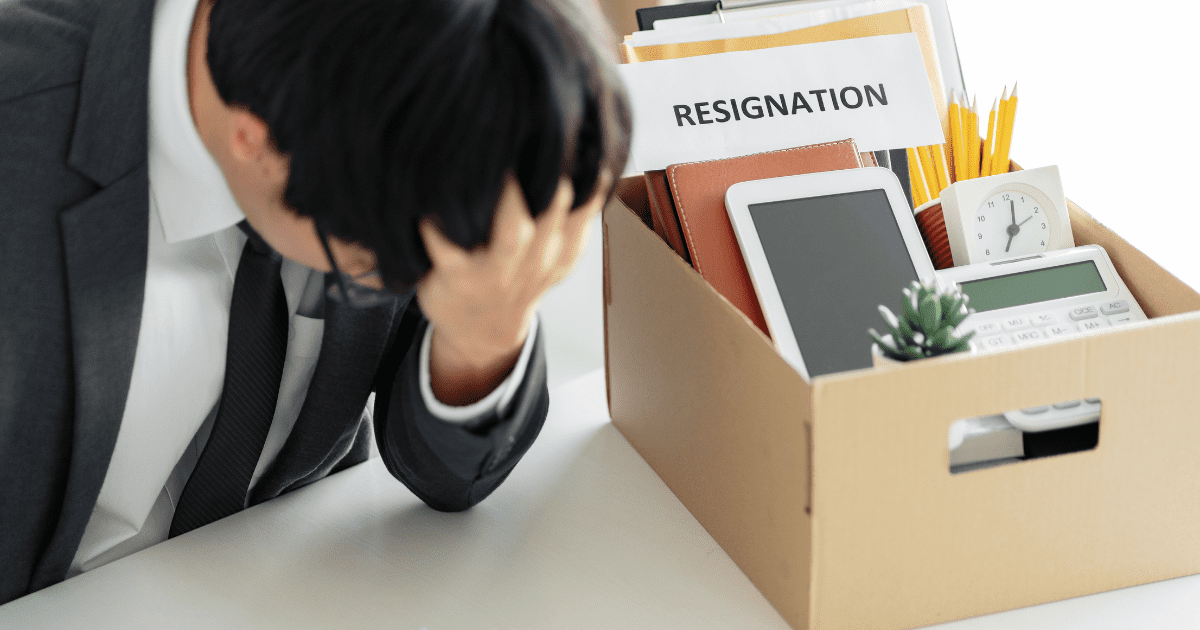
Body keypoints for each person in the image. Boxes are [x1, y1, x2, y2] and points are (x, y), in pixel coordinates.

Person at [0, 0, 630, 604]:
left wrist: (485, 331)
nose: (427, 274)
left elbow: (447, 476)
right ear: (253, 143)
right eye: (381, 265)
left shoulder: (424, 96)